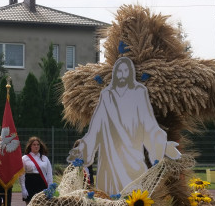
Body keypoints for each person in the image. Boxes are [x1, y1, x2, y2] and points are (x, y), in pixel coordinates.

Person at [68, 55, 180, 196]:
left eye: (125, 71)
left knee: (133, 194)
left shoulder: (139, 93)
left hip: (132, 151)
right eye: (119, 71)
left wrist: (162, 144)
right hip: (110, 154)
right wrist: (83, 149)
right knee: (108, 195)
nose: (122, 75)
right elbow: (96, 127)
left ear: (130, 73)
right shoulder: (107, 95)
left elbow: (148, 123)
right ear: (115, 73)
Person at [20, 137, 53, 203]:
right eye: (34, 145)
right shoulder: (24, 158)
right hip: (30, 183)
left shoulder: (45, 158)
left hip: (42, 183)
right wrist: (23, 188)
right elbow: (22, 175)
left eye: (38, 145)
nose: (36, 146)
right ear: (30, 146)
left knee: (42, 205)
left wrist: (50, 187)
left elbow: (49, 174)